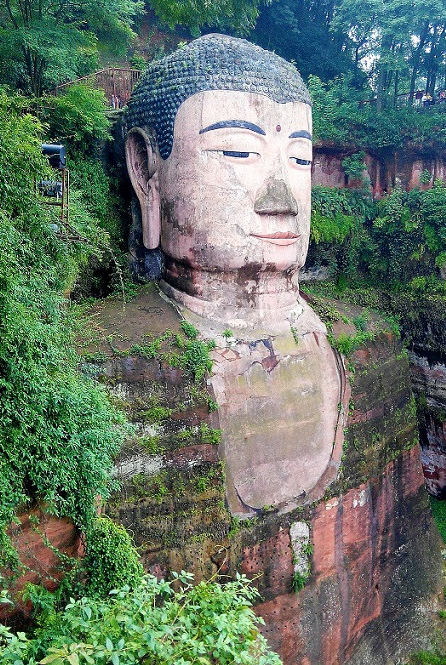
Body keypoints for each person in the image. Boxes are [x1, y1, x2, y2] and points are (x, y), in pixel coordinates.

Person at [123, 34, 345, 515]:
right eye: (239, 152)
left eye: (300, 159)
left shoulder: (364, 348)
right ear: (146, 172)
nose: (281, 200)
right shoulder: (117, 375)